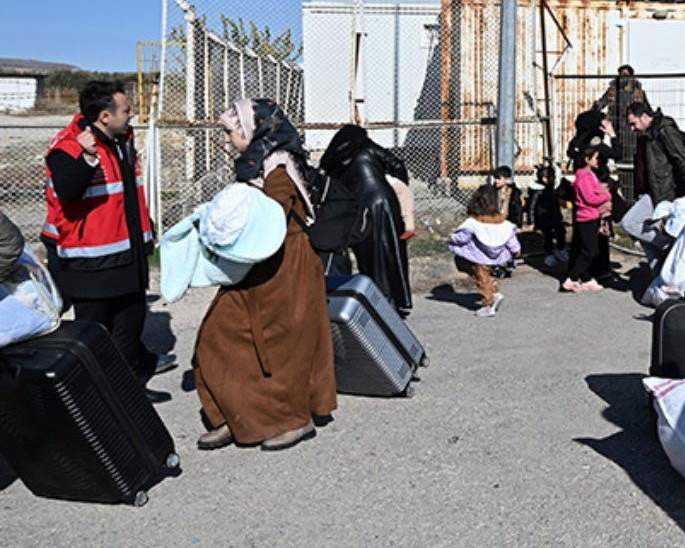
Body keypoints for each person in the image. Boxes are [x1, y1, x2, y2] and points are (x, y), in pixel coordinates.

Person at [195, 98, 338, 451]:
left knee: (283, 346)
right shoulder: (253, 163)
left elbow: (273, 214)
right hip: (253, 261)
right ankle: (234, 412)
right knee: (218, 335)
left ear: (252, 128)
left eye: (230, 132)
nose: (227, 140)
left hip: (286, 264)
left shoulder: (277, 164)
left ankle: (294, 420)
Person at [41, 80, 173, 403]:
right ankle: (89, 402)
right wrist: (86, 158)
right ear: (103, 116)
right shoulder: (69, 146)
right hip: (91, 264)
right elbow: (69, 191)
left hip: (128, 257)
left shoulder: (122, 139)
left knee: (129, 328)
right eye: (126, 110)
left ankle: (130, 394)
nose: (132, 115)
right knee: (93, 336)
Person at [319, 124, 414, 314]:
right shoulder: (366, 147)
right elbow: (397, 165)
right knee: (390, 252)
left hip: (358, 209)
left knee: (367, 256)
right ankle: (395, 299)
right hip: (383, 204)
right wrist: (392, 182)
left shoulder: (334, 160)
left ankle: (375, 299)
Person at [624, 102, 685, 270]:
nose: (632, 128)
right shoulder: (647, 135)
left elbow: (681, 157)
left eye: (633, 123)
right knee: (644, 234)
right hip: (653, 190)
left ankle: (669, 246)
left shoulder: (664, 131)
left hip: (666, 191)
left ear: (645, 116)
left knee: (630, 223)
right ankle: (658, 277)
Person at [448, 184, 520, 317]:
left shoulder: (473, 222)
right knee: (487, 277)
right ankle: (495, 293)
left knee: (482, 279)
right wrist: (516, 250)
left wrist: (453, 237)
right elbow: (511, 239)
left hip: (479, 256)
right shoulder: (501, 222)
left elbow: (462, 238)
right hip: (494, 257)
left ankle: (489, 304)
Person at [562, 145, 610, 293]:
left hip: (591, 216)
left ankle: (585, 277)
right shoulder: (583, 176)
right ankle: (572, 277)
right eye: (595, 158)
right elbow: (590, 198)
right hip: (586, 217)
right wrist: (606, 196)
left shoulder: (589, 175)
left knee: (590, 248)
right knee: (588, 250)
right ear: (587, 159)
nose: (598, 161)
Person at [528, 163, 568, 267]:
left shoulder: (551, 189)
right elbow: (531, 206)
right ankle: (549, 254)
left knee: (561, 230)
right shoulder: (537, 190)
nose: (552, 179)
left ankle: (560, 249)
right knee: (548, 234)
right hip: (542, 217)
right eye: (550, 177)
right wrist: (531, 221)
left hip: (554, 215)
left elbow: (555, 203)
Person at [488, 165, 523, 279]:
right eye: (495, 178)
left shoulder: (514, 192)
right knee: (496, 243)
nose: (496, 181)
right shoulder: (492, 191)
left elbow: (517, 209)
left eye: (499, 178)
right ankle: (496, 265)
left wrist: (518, 224)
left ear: (507, 179)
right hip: (495, 221)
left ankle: (509, 262)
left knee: (509, 243)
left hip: (509, 221)